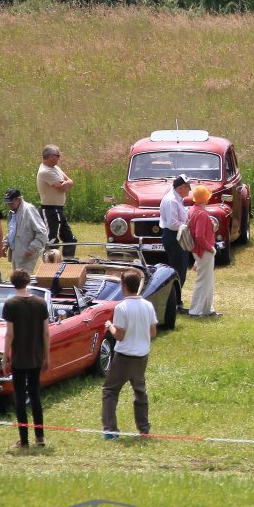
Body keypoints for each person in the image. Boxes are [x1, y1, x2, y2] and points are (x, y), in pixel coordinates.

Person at [102, 269, 157, 440]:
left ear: (123, 286)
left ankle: (110, 431)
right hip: (142, 356)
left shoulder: (121, 307)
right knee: (140, 392)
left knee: (110, 391)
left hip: (124, 357)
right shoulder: (148, 305)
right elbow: (153, 332)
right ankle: (144, 430)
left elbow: (119, 336)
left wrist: (110, 326)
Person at [2, 268, 50, 449]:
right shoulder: (40, 303)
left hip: (19, 358)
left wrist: (5, 356)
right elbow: (46, 333)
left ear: (13, 283)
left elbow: (10, 334)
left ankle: (23, 440)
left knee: (20, 398)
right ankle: (40, 437)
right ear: (28, 281)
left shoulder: (10, 304)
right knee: (35, 395)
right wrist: (47, 356)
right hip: (36, 357)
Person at [36, 145, 76, 258]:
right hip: (50, 210)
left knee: (70, 239)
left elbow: (70, 181)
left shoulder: (55, 168)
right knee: (52, 241)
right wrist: (66, 184)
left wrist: (68, 183)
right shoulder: (45, 171)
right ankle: (49, 266)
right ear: (51, 157)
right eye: (58, 156)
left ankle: (68, 262)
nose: (59, 158)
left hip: (59, 209)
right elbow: (62, 188)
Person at [186, 185, 219, 318]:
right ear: (205, 199)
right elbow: (199, 236)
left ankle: (207, 309)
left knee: (208, 281)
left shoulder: (193, 210)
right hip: (204, 251)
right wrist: (211, 249)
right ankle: (195, 310)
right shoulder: (202, 213)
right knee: (203, 281)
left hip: (199, 250)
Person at [2, 188, 50, 273]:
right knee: (17, 279)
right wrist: (5, 244)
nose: (9, 205)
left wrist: (32, 248)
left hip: (27, 255)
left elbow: (42, 233)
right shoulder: (13, 212)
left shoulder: (29, 210)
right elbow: (12, 231)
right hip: (16, 254)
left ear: (18, 199)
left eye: (11, 203)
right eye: (8, 203)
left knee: (23, 279)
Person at [159, 175, 191, 289]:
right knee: (178, 270)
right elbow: (172, 224)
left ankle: (176, 296)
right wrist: (188, 225)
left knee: (182, 269)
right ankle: (174, 297)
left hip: (179, 235)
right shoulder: (171, 200)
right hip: (174, 237)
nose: (190, 189)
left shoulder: (178, 199)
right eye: (188, 186)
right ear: (180, 188)